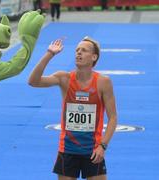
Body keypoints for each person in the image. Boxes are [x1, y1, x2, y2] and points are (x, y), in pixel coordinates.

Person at [28, 37, 117, 180]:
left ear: (94, 57)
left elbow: (113, 117)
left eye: (84, 50)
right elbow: (33, 81)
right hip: (68, 149)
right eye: (77, 50)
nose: (78, 53)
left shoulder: (103, 82)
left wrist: (103, 146)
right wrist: (49, 54)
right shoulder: (64, 78)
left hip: (93, 149)